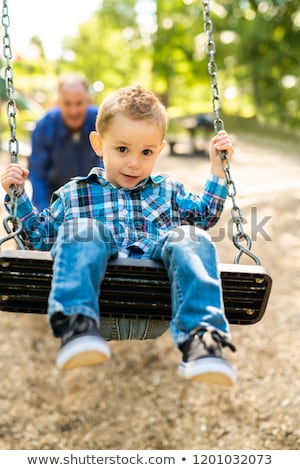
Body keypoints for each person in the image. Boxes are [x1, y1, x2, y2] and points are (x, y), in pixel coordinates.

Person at [1, 84, 236, 387]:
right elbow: (36, 238)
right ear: (99, 144)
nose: (134, 163)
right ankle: (76, 324)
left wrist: (218, 170)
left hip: (156, 299)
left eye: (147, 152)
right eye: (122, 149)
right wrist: (17, 196)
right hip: (101, 298)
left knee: (192, 236)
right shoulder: (76, 194)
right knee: (83, 231)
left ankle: (202, 340)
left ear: (159, 150)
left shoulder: (168, 190)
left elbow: (204, 216)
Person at [28, 73, 102, 211]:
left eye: (79, 103)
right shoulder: (44, 127)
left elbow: (109, 165)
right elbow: (38, 174)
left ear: (88, 101)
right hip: (56, 202)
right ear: (58, 102)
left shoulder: (100, 122)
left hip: (96, 200)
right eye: (67, 103)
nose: (73, 111)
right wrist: (45, 214)